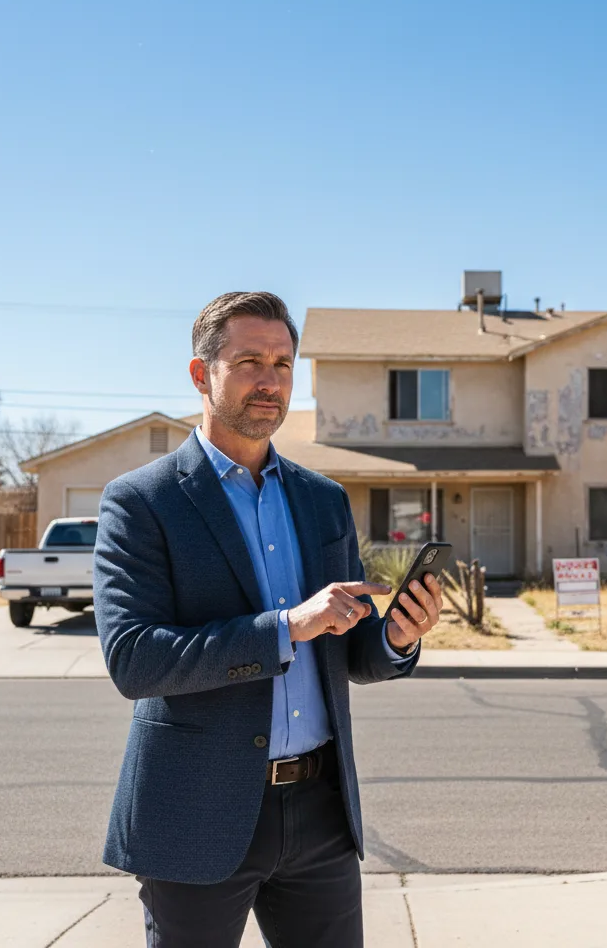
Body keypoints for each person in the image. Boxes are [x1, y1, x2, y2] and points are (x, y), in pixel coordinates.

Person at [93, 291, 443, 947]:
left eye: (283, 364)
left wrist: (395, 637)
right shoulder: (141, 501)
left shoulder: (323, 500)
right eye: (250, 361)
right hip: (196, 813)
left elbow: (348, 647)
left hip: (320, 813)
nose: (270, 380)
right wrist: (286, 627)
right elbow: (135, 660)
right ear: (201, 374)